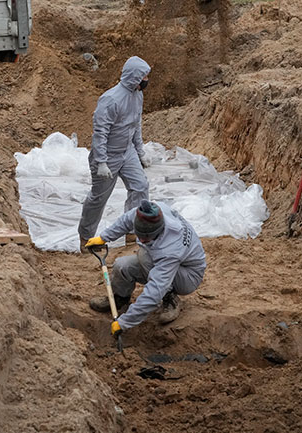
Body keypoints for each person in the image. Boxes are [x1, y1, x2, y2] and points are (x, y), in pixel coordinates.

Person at [84, 200, 206, 337]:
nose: (141, 241)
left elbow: (155, 290)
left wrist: (124, 322)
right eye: (139, 235)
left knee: (145, 256)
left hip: (188, 276)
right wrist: (103, 237)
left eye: (146, 239)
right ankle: (120, 298)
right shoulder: (147, 213)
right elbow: (125, 220)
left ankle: (169, 298)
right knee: (122, 266)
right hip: (165, 260)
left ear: (158, 231)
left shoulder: (171, 248)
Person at [78, 56, 154, 252]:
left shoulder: (138, 95)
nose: (146, 80)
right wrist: (101, 161)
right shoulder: (111, 99)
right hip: (108, 155)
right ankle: (86, 237)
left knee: (140, 186)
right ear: (135, 77)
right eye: (144, 76)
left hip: (126, 151)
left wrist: (140, 151)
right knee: (99, 197)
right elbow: (100, 132)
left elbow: (136, 124)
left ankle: (132, 230)